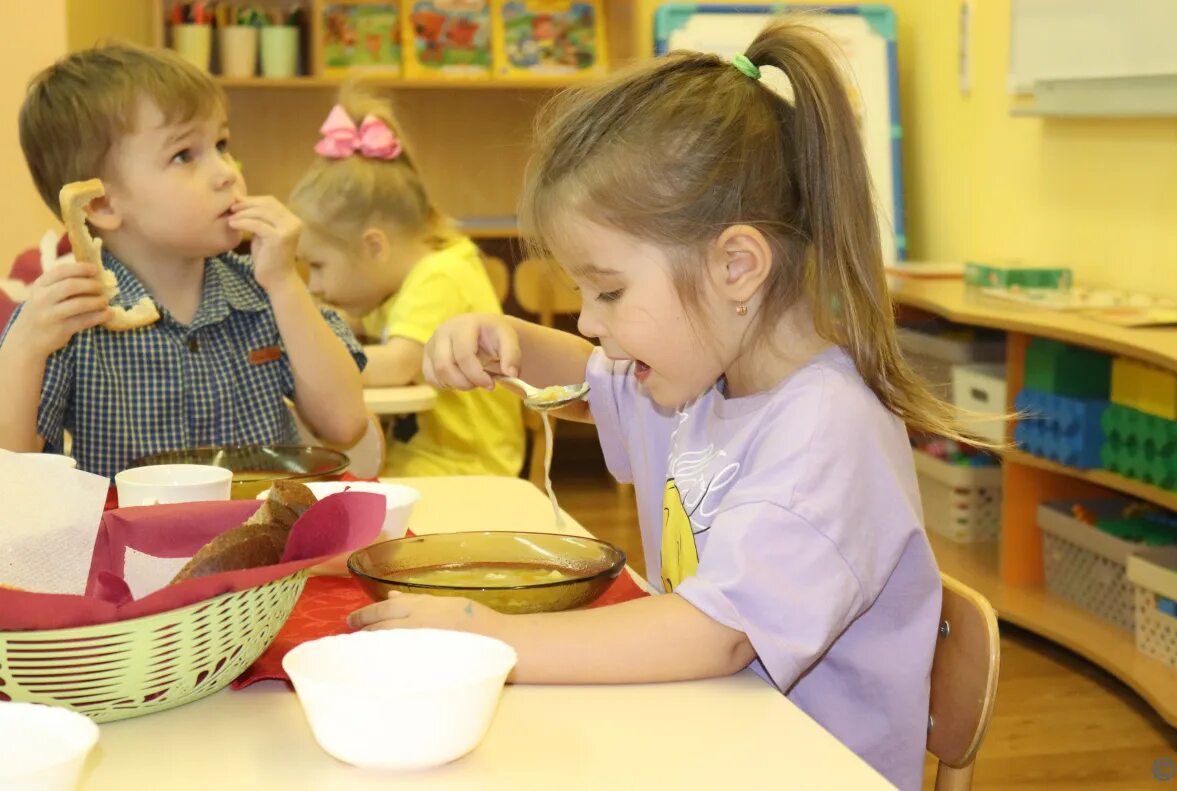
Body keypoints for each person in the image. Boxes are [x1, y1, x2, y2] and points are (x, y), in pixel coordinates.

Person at [348, 21, 976, 790]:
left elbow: (716, 637)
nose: (586, 319)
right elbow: (588, 382)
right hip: (707, 739)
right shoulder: (703, 374)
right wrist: (505, 334)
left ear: (736, 266)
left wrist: (493, 637)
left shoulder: (827, 433)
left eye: (608, 290)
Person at [0, 44, 368, 478]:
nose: (227, 171)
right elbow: (13, 471)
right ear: (98, 204)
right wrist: (22, 350)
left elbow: (344, 424)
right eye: (184, 155)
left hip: (262, 534)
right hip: (132, 542)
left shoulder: (265, 287)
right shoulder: (70, 317)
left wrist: (286, 284)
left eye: (222, 144)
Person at [289, 88, 524, 477]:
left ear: (374, 247)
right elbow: (342, 325)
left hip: (461, 470)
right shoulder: (397, 287)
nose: (313, 284)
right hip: (425, 462)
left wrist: (308, 368)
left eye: (317, 265)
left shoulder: (439, 276)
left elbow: (398, 364)